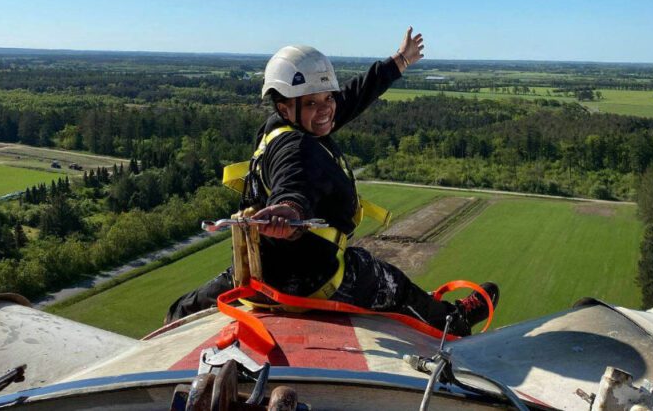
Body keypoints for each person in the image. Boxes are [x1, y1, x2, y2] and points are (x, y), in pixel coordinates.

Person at [166, 28, 498, 335]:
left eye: (328, 98)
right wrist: (287, 211)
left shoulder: (285, 125)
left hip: (260, 272)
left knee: (182, 309)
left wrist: (400, 60)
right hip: (312, 278)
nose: (326, 110)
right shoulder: (296, 147)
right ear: (285, 105)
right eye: (312, 102)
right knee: (394, 285)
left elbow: (354, 96)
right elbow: (293, 183)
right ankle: (453, 320)